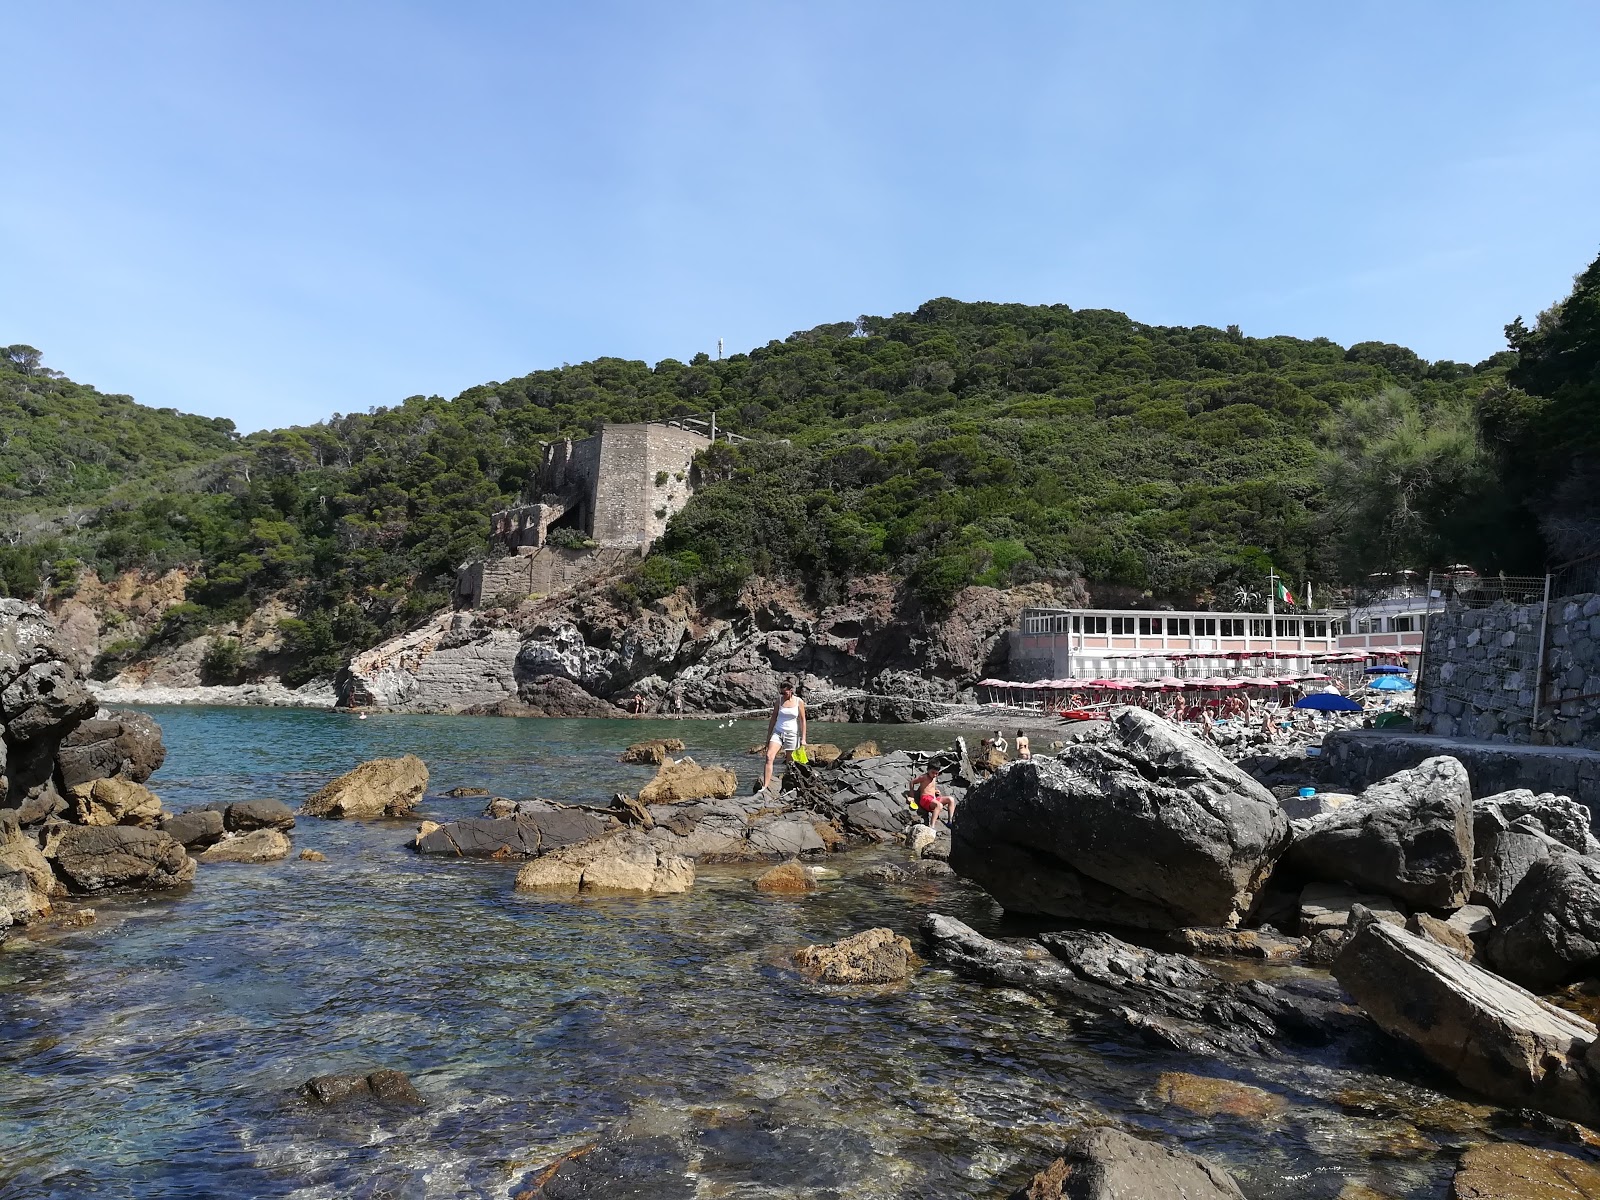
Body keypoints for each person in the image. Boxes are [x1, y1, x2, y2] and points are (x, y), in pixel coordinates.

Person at [761, 679, 807, 790]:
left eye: (785, 693)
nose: (783, 695)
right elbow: (773, 718)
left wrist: (803, 738)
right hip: (778, 732)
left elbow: (803, 720)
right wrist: (768, 737)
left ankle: (789, 785)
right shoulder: (779, 701)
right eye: (781, 692)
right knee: (769, 756)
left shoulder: (798, 701)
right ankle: (765, 786)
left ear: (791, 691)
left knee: (789, 762)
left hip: (792, 734)